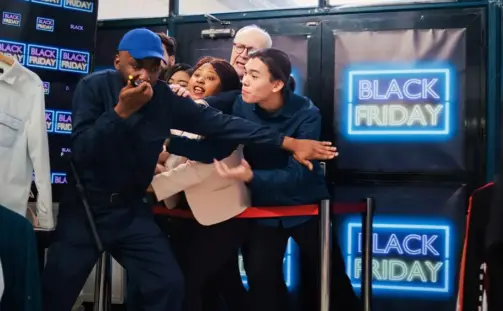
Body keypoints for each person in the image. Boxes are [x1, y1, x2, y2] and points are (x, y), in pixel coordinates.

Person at [41, 28, 336, 311]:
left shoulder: (162, 97)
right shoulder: (94, 86)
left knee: (169, 284)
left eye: (154, 68)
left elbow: (221, 125)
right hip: (85, 209)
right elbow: (82, 150)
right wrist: (121, 113)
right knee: (55, 294)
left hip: (131, 212)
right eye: (136, 66)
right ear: (118, 60)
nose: (144, 75)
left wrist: (288, 142)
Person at [175, 48, 358, 311]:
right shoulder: (239, 103)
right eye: (245, 73)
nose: (245, 80)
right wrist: (170, 138)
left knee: (331, 278)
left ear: (277, 84)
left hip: (307, 208)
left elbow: (298, 176)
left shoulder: (307, 113)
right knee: (261, 280)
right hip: (263, 209)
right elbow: (207, 129)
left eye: (254, 75)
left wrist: (252, 175)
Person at [152, 57, 248, 311]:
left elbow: (201, 168)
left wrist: (153, 184)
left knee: (194, 284)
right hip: (188, 216)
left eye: (210, 77)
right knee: (216, 286)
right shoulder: (188, 116)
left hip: (220, 218)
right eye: (198, 74)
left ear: (224, 88)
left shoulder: (224, 120)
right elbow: (176, 159)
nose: (200, 80)